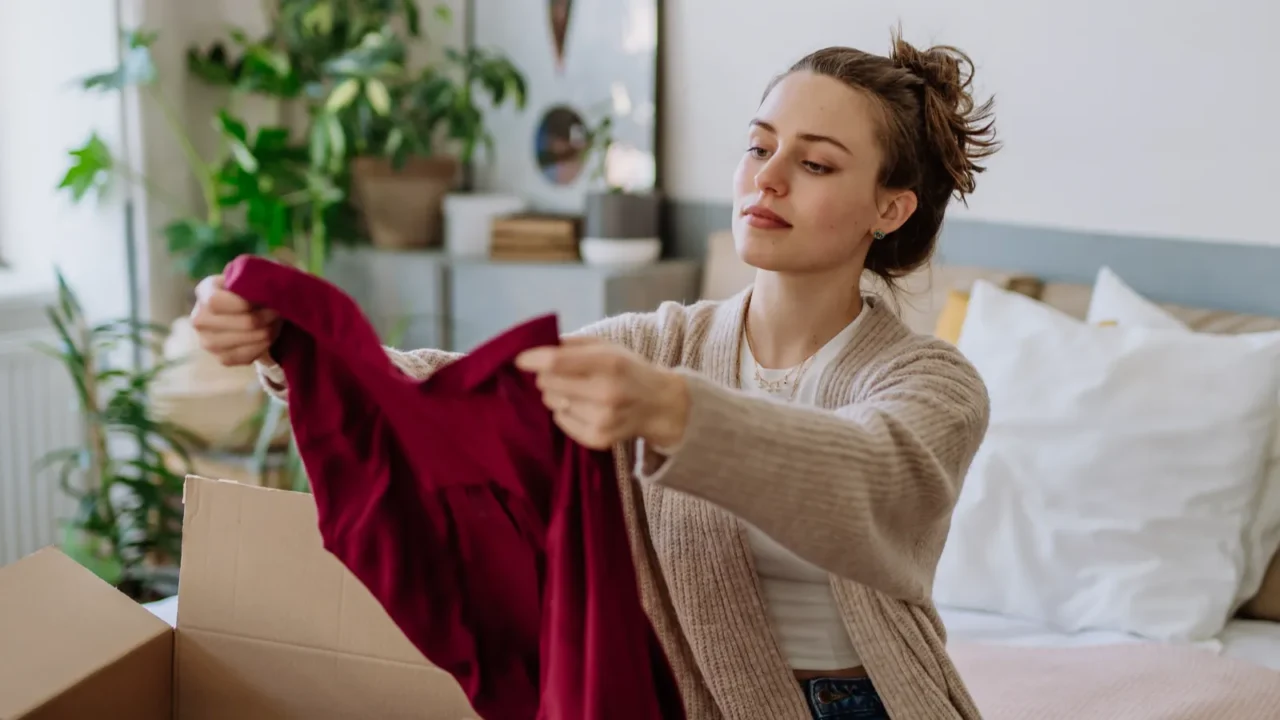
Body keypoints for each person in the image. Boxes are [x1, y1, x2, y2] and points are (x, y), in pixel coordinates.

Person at [190, 27, 998, 720]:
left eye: (815, 165)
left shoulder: (932, 385)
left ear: (889, 208)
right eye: (758, 146)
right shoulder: (657, 346)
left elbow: (867, 480)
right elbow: (457, 396)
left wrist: (679, 414)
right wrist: (290, 346)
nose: (767, 178)